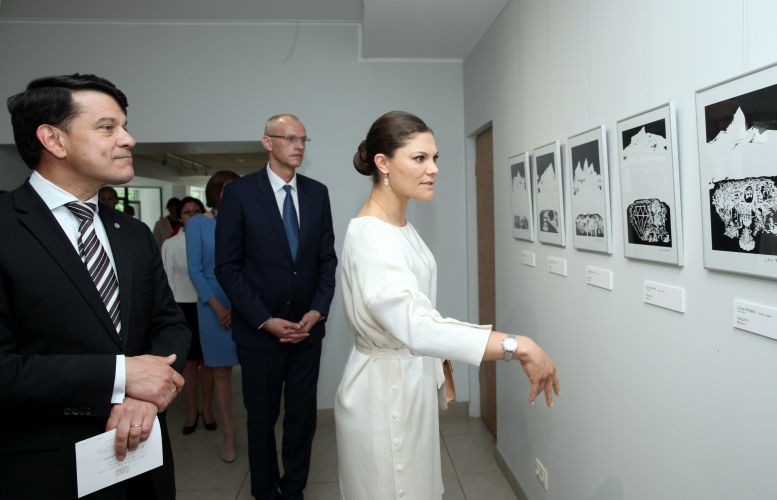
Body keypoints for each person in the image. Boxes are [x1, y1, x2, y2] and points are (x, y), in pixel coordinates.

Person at [335, 111, 560, 500]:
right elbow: (417, 325)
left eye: (435, 157)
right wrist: (516, 345)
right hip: (383, 394)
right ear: (383, 163)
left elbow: (418, 313)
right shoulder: (372, 236)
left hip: (406, 381)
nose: (434, 169)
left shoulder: (398, 225)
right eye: (419, 158)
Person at [0, 73, 191, 499]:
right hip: (45, 470)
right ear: (54, 139)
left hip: (143, 463)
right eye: (108, 127)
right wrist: (123, 376)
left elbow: (170, 324)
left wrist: (146, 396)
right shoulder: (6, 226)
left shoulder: (133, 232)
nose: (129, 139)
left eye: (124, 125)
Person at [216, 114, 337, 500]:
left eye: (303, 139)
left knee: (302, 419)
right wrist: (264, 320)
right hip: (259, 334)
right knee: (262, 419)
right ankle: (265, 492)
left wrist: (317, 311)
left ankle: (294, 490)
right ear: (267, 142)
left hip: (307, 330)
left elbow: (326, 261)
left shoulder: (317, 193)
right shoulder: (240, 194)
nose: (298, 146)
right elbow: (227, 267)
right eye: (289, 138)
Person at [186, 171, 240, 462]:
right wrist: (219, 308)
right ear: (215, 192)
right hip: (211, 306)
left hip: (244, 304)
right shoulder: (197, 224)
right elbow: (195, 270)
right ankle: (229, 434)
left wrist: (240, 305)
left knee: (255, 368)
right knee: (220, 371)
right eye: (227, 189)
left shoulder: (246, 220)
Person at [161, 196, 216, 435]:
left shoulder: (211, 238)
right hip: (183, 307)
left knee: (210, 362)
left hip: (209, 304)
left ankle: (208, 409)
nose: (191, 215)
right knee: (190, 364)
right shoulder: (170, 244)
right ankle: (192, 410)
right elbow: (166, 282)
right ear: (180, 217)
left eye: (196, 211)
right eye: (186, 212)